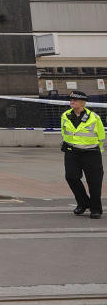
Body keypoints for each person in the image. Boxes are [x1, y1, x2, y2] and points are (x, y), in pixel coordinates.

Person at [61, 91, 105, 219]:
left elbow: (101, 137)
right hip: (72, 152)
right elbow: (65, 133)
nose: (72, 102)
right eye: (71, 99)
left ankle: (96, 209)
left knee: (94, 182)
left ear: (82, 102)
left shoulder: (94, 117)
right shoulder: (65, 115)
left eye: (75, 100)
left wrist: (97, 151)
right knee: (71, 177)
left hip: (91, 153)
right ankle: (83, 202)